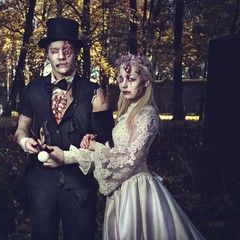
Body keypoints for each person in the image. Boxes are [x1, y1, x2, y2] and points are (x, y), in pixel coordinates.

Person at [45, 54, 206, 240]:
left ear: (145, 82)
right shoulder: (127, 112)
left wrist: (96, 147)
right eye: (121, 79)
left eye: (131, 79)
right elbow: (113, 151)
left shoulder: (147, 114)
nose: (124, 84)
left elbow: (128, 160)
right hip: (120, 191)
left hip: (136, 191)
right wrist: (70, 154)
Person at [14, 17, 114, 240]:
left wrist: (93, 137)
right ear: (47, 54)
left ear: (76, 52)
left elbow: (108, 145)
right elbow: (21, 129)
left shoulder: (96, 93)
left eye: (66, 50)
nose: (60, 56)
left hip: (79, 187)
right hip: (39, 185)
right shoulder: (32, 90)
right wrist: (24, 142)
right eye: (54, 50)